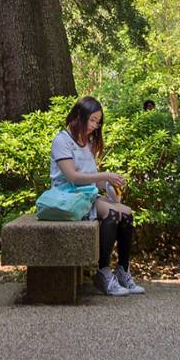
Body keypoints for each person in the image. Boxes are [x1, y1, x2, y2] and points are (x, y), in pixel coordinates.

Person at [52, 96, 143, 296]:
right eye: (92, 120)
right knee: (111, 214)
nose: (95, 125)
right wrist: (104, 175)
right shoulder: (62, 140)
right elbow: (73, 177)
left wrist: (112, 183)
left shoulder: (89, 142)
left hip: (87, 196)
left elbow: (95, 179)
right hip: (69, 198)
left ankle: (122, 270)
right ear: (78, 116)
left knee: (126, 213)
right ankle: (102, 272)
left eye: (98, 121)